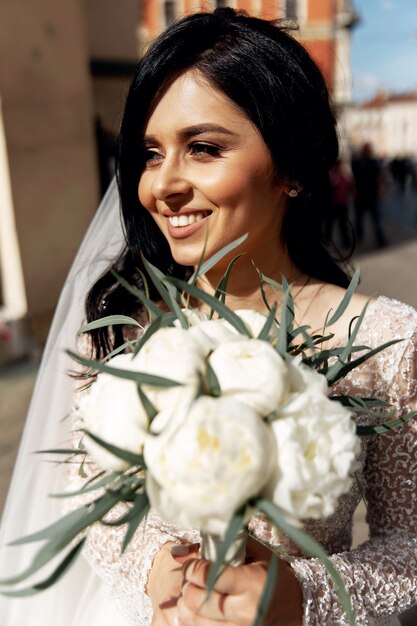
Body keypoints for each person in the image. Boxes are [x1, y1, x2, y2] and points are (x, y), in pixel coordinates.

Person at [0, 8, 416, 626]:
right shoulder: (123, 324)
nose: (161, 184)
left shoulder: (386, 343)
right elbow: (95, 506)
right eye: (149, 152)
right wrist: (156, 569)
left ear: (292, 168)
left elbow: (409, 547)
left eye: (202, 148)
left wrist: (301, 595)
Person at [351, 143, 388, 248]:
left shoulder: (356, 162)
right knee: (376, 219)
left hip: (361, 196)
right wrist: (381, 192)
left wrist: (354, 191)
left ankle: (359, 237)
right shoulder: (375, 163)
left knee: (359, 219)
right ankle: (380, 239)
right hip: (372, 196)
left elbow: (353, 179)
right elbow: (381, 178)